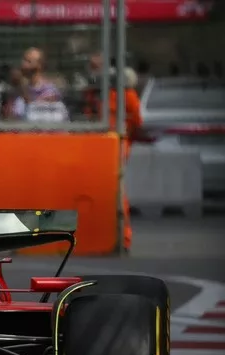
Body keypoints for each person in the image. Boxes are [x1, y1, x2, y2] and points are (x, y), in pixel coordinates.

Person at [83, 53, 143, 251]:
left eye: (98, 66)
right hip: (95, 145)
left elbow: (136, 121)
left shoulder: (124, 92)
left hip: (115, 144)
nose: (95, 70)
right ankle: (97, 235)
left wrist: (123, 139)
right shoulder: (92, 93)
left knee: (117, 192)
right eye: (92, 66)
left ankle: (123, 238)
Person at [7, 47, 68, 122]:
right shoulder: (21, 91)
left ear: (39, 65)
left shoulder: (49, 92)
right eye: (23, 60)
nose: (23, 64)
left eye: (28, 61)